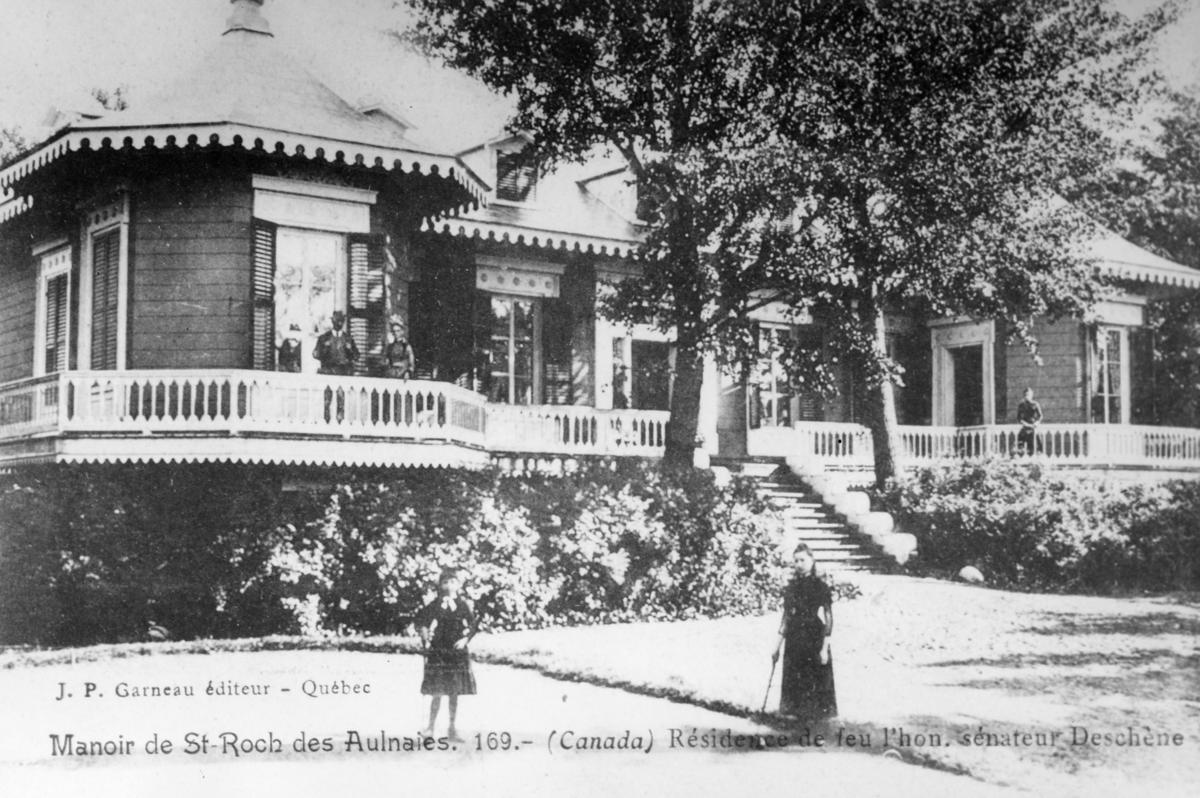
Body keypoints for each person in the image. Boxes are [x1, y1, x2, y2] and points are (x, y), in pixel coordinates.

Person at [772, 543, 837, 721]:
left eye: (802, 560)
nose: (799, 564)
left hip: (814, 636)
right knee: (795, 678)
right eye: (796, 561)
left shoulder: (821, 586)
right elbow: (786, 617)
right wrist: (776, 647)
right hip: (794, 637)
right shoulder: (791, 587)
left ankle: (815, 722)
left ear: (812, 560)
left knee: (813, 678)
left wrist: (824, 649)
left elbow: (829, 619)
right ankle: (796, 719)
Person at [416, 568, 477, 741]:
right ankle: (430, 728)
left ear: (458, 585)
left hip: (456, 652)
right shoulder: (435, 604)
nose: (449, 586)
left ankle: (452, 728)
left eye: (452, 582)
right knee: (437, 690)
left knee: (454, 692)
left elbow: (473, 625)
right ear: (440, 585)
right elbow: (421, 620)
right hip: (439, 651)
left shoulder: (463, 605)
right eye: (445, 582)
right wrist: (425, 636)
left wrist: (465, 639)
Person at [313, 310, 358, 376]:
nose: (339, 323)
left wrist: (350, 350)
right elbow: (315, 354)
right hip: (327, 371)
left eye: (341, 320)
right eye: (337, 320)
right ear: (332, 321)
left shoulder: (348, 339)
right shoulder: (324, 338)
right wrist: (324, 349)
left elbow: (356, 355)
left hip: (344, 373)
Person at [1016, 387, 1043, 455]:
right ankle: (1021, 452)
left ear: (1031, 395)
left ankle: (1039, 452)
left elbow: (1040, 416)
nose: (1027, 396)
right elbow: (1019, 417)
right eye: (1025, 395)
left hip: (1033, 425)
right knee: (1020, 438)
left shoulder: (1035, 404)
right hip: (1025, 425)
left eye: (1028, 395)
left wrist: (1037, 423)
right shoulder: (1021, 405)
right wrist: (1024, 423)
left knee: (1038, 439)